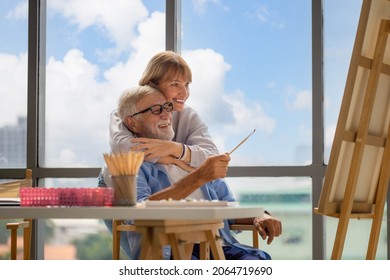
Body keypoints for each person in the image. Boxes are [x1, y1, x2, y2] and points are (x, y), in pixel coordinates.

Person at [99, 85, 282, 260]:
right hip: (172, 253)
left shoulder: (195, 160)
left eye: (167, 107)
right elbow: (138, 215)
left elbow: (230, 210)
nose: (166, 114)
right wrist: (199, 177)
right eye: (155, 110)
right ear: (133, 123)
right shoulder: (130, 167)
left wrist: (261, 215)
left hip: (220, 247)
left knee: (258, 260)